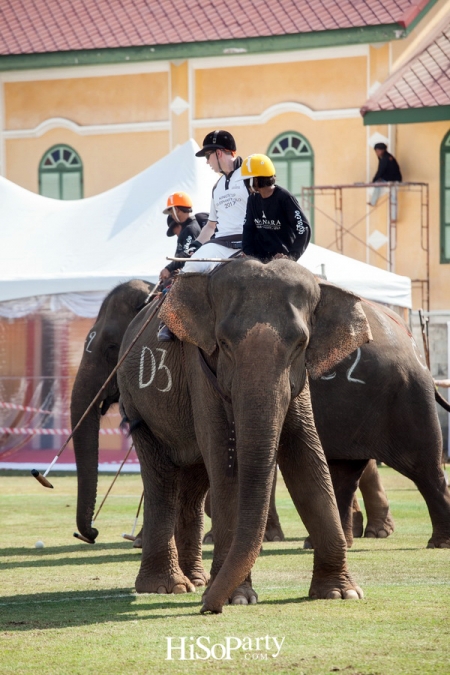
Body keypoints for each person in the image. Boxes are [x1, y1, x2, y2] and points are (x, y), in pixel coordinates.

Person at [241, 154, 311, 262]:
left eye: (246, 180)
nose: (244, 184)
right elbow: (248, 228)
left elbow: (303, 228)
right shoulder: (252, 199)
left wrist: (290, 257)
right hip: (259, 260)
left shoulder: (285, 198)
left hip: (281, 261)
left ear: (254, 180)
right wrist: (248, 253)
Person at [159, 191, 208, 283]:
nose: (172, 216)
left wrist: (168, 268)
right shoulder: (188, 228)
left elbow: (187, 254)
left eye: (171, 212)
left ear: (176, 210)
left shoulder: (190, 228)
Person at [369, 142, 402, 219]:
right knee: (393, 198)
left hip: (391, 179)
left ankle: (373, 202)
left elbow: (380, 170)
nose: (377, 153)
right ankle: (393, 218)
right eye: (376, 151)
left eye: (378, 151)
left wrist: (374, 180)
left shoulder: (385, 158)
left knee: (377, 185)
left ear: (383, 150)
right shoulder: (387, 157)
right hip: (394, 179)